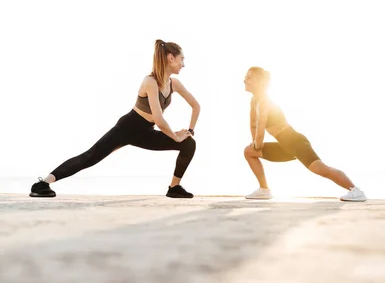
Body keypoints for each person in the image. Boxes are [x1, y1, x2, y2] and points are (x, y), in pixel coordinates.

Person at [29, 40, 200, 199]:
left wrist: (188, 132)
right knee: (90, 156)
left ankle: (174, 188)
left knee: (189, 143)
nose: (183, 64)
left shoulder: (174, 84)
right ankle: (42, 184)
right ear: (171, 58)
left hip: (146, 132)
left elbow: (195, 106)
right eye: (181, 59)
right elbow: (159, 119)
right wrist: (175, 136)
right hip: (126, 128)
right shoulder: (150, 82)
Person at [242, 67, 367, 202]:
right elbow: (253, 125)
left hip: (294, 142)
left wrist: (257, 144)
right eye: (245, 77)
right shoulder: (254, 101)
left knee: (321, 169)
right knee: (249, 152)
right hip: (285, 145)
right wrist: (254, 145)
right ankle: (264, 190)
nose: (245, 80)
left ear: (260, 82)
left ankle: (356, 191)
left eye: (249, 78)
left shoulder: (264, 101)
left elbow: (260, 130)